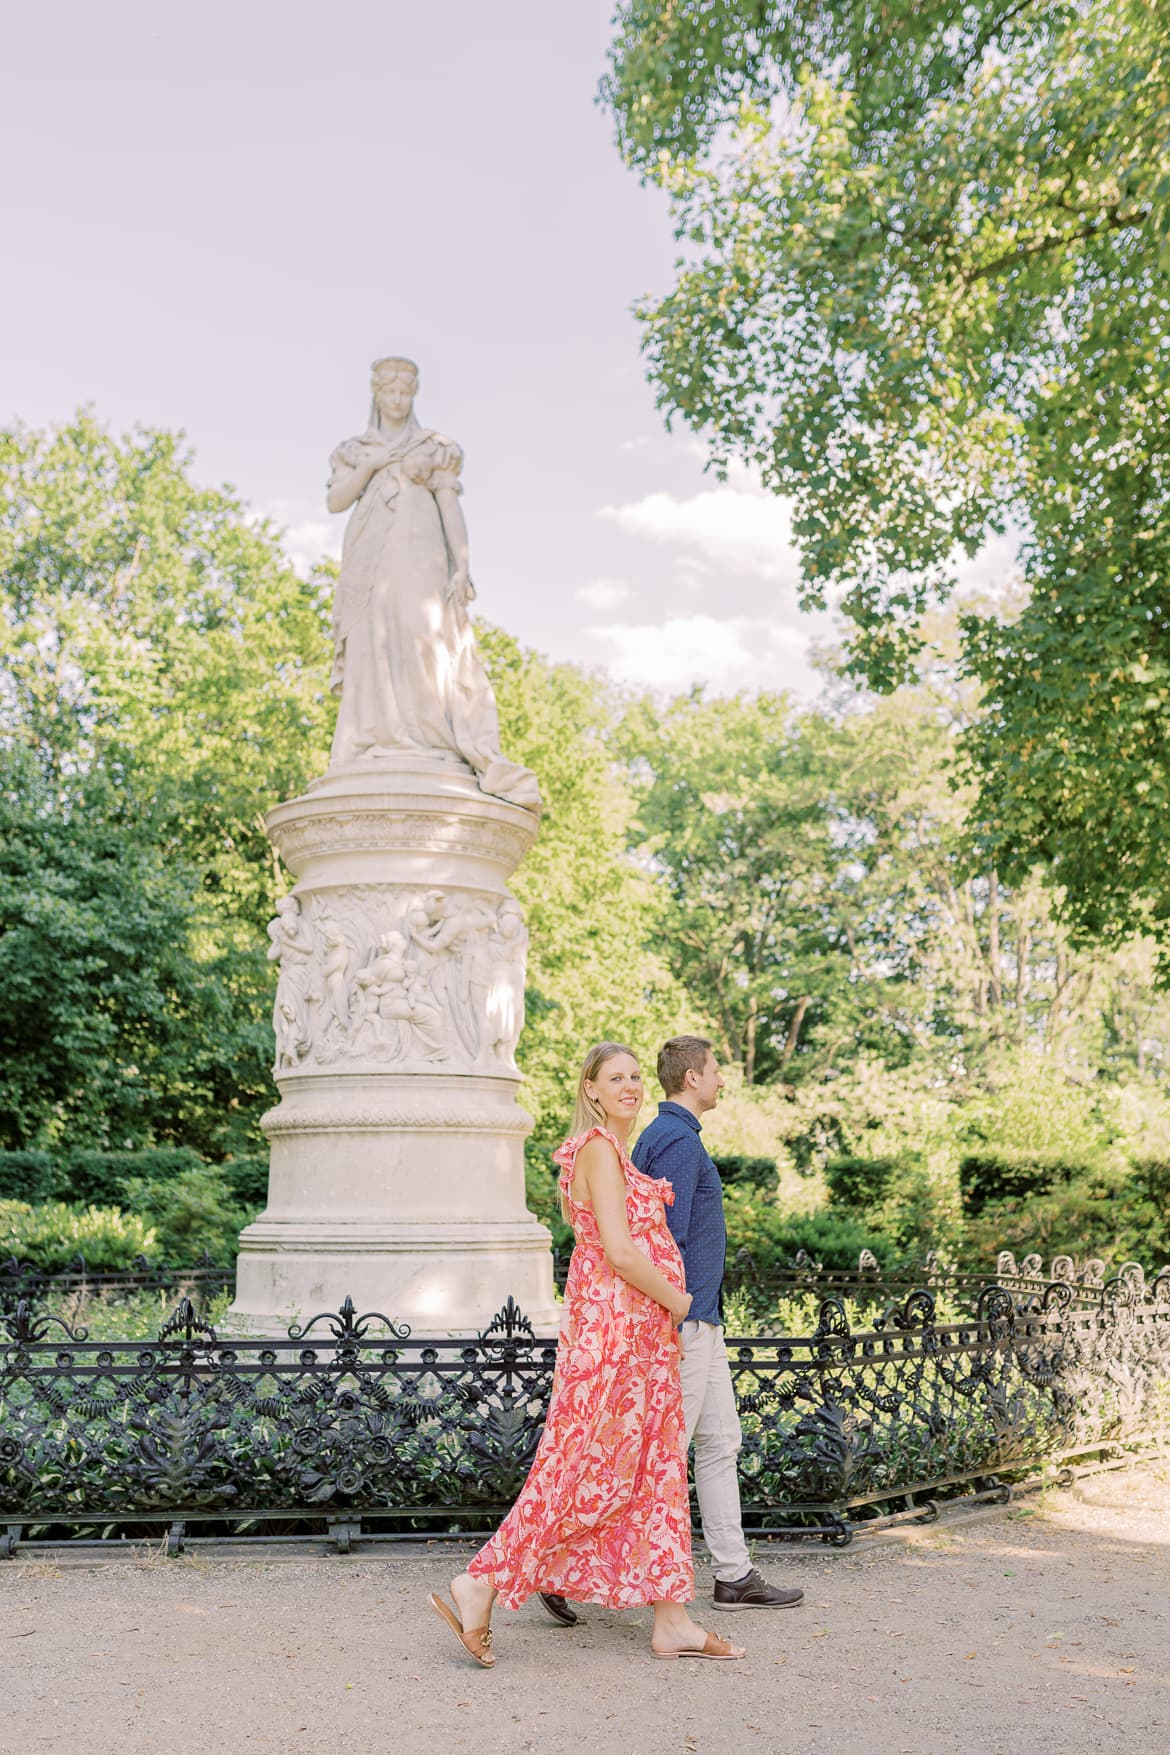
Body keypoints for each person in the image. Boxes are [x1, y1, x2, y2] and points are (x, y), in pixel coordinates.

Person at [428, 1042, 745, 1667]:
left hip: (639, 1342)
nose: (629, 1086)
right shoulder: (599, 1151)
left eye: (634, 1077)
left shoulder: (619, 1155)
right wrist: (680, 1303)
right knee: (575, 1469)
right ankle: (480, 1581)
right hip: (614, 1343)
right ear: (591, 1089)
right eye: (615, 1078)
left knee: (654, 1471)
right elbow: (622, 1254)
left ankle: (673, 1618)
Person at [632, 1035, 804, 1612]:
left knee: (718, 1441)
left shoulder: (663, 1136)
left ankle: (733, 1574)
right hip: (686, 1321)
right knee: (659, 1456)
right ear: (691, 1079)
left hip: (699, 1319)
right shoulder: (677, 1140)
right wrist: (678, 1316)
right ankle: (566, 1571)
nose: (721, 1081)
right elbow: (667, 1241)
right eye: (715, 1071)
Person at [324, 355, 540, 810]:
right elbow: (335, 500)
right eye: (390, 393)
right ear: (377, 395)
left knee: (424, 634)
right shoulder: (355, 449)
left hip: (423, 555)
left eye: (405, 392)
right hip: (370, 553)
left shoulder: (436, 446)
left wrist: (461, 562)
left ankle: (430, 738)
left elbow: (449, 505)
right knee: (373, 636)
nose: (398, 400)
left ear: (414, 395)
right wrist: (370, 467)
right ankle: (376, 735)